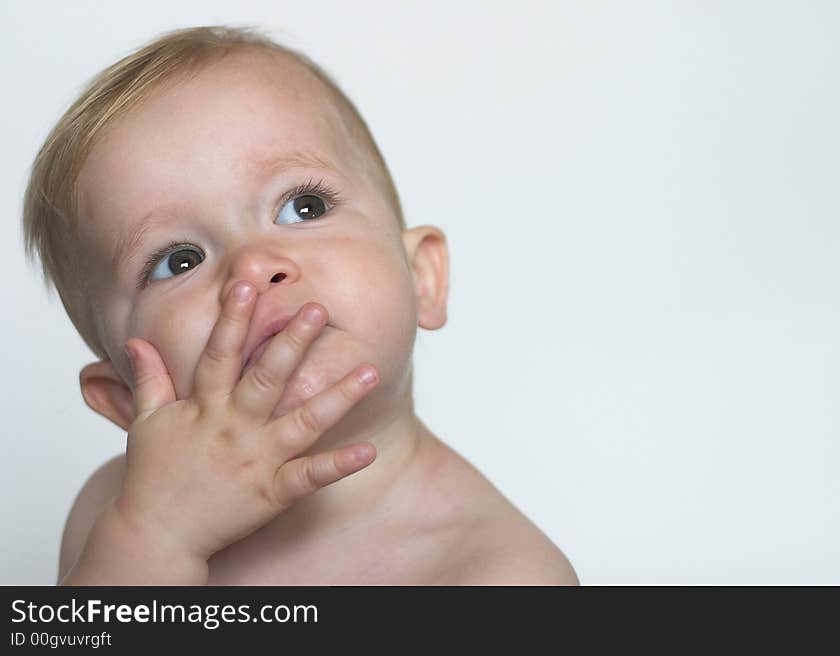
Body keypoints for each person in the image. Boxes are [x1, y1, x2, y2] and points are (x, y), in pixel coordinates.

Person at [23, 25, 578, 585]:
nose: (254, 266)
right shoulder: (115, 519)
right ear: (126, 400)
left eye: (304, 206)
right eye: (179, 260)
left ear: (421, 278)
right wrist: (156, 536)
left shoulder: (499, 574)